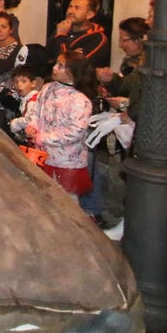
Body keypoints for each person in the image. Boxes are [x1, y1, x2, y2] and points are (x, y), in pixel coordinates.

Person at [28, 51, 99, 212]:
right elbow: (36, 111)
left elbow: (75, 132)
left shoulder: (80, 100)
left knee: (67, 204)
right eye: (56, 63)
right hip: (43, 156)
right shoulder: (47, 88)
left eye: (60, 65)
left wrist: (43, 138)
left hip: (66, 161)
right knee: (43, 199)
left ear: (72, 73)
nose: (54, 67)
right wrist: (33, 125)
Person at [50, 0, 110, 68]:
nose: (71, 11)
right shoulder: (62, 29)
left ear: (90, 15)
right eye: (70, 6)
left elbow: (71, 66)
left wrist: (61, 36)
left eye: (77, 8)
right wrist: (72, 53)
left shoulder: (98, 38)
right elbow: (48, 57)